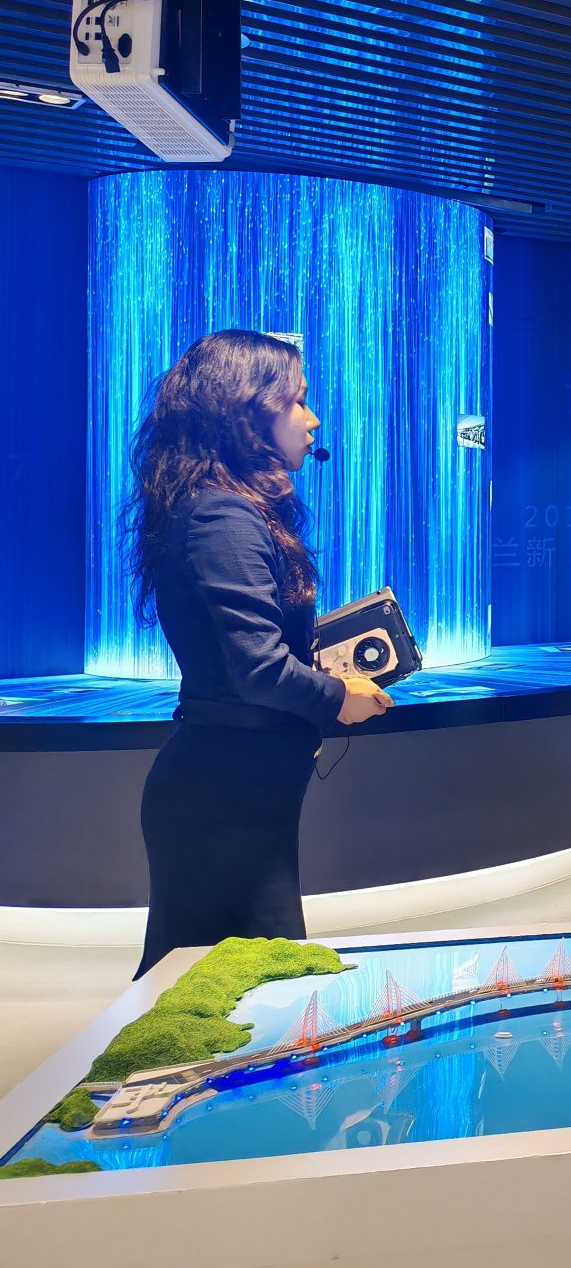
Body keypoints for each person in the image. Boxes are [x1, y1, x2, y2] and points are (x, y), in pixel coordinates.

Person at [129, 330, 392, 976]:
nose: (313, 418)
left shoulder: (218, 509)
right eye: (297, 401)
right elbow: (258, 668)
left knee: (231, 990)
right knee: (219, 992)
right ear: (247, 413)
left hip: (238, 794)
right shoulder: (222, 517)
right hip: (223, 803)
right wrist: (340, 697)